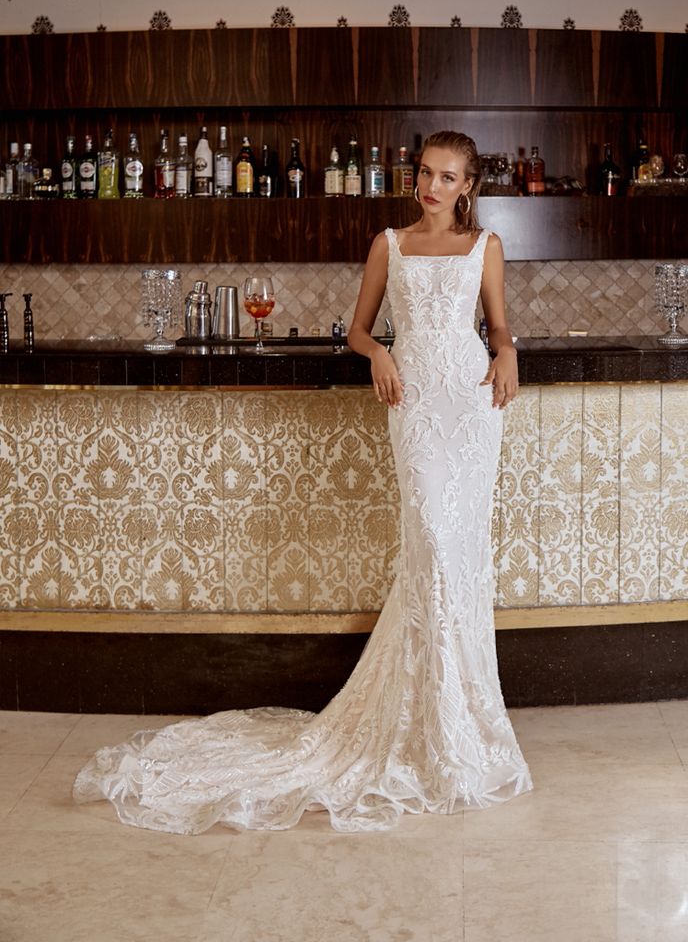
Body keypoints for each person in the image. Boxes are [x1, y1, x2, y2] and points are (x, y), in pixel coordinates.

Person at [72, 130, 532, 834]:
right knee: (432, 543)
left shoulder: (486, 248)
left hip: (471, 407)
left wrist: (508, 355)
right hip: (413, 406)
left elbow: (498, 326)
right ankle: (426, 724)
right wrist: (379, 350)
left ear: (468, 185)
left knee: (462, 556)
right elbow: (355, 329)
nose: (431, 186)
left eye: (446, 177)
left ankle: (462, 727)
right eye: (424, 174)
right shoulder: (389, 242)